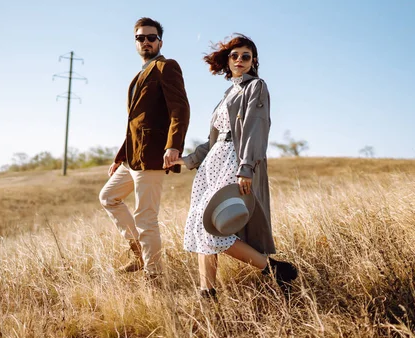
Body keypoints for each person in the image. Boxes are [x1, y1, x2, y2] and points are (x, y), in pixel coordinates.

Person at [168, 34, 297, 299]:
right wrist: (187, 160)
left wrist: (246, 167)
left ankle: (273, 269)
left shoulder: (256, 87)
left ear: (254, 61)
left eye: (246, 56)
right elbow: (213, 139)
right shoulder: (228, 93)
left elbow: (254, 130)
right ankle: (207, 294)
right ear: (227, 60)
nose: (240, 60)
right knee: (201, 223)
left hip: (234, 160)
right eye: (235, 55)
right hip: (212, 163)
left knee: (214, 227)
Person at [100, 17, 190, 279]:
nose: (146, 42)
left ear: (159, 42)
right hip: (133, 156)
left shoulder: (166, 67)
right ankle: (139, 253)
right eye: (141, 38)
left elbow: (180, 108)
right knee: (108, 197)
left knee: (146, 218)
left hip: (153, 155)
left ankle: (155, 277)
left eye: (151, 38)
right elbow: (135, 123)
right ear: (135, 42)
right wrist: (120, 156)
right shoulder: (139, 74)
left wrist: (173, 146)